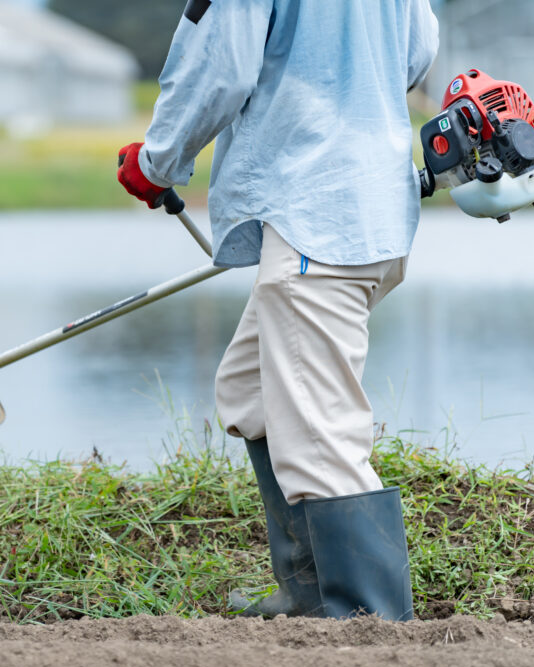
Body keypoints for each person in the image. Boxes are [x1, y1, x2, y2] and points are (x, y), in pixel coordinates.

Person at [117, 0, 439, 620]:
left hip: (313, 213)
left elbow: (220, 68)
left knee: (322, 440)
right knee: (251, 390)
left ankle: (369, 622)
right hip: (373, 206)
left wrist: (159, 162)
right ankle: (309, 592)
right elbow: (417, 50)